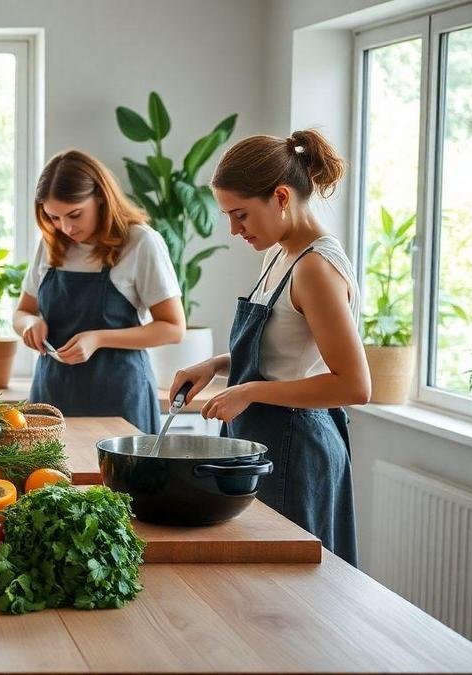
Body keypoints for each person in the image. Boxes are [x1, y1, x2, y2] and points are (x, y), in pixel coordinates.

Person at [171, 129, 371, 565]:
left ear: (281, 196)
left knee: (289, 597)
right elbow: (283, 355)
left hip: (296, 447)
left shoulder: (316, 268)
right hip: (263, 438)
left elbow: (354, 385)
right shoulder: (280, 253)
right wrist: (215, 365)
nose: (233, 229)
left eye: (240, 215)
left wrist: (248, 391)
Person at [13, 149, 185, 430]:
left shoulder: (140, 242)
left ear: (101, 197)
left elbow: (173, 328)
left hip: (119, 398)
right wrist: (30, 323)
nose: (65, 227)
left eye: (74, 214)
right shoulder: (50, 244)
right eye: (54, 217)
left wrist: (98, 339)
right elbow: (22, 312)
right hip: (52, 397)